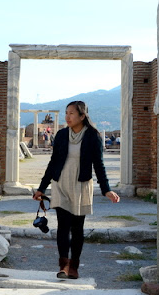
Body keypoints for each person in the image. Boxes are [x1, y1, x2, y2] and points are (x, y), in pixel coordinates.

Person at [32, 100, 120, 279]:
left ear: (82, 116)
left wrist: (106, 190)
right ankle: (63, 265)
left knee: (77, 227)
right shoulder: (62, 135)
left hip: (81, 185)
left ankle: (74, 266)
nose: (67, 116)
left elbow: (99, 165)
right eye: (66, 113)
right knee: (63, 226)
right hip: (61, 184)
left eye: (72, 113)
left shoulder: (92, 136)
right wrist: (42, 188)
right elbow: (53, 162)